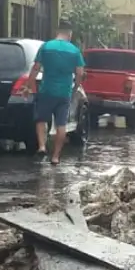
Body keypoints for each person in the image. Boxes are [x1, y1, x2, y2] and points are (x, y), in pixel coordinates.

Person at [22, 20, 84, 165]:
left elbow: (36, 68)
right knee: (61, 125)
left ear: (57, 32)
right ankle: (56, 157)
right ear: (69, 34)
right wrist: (75, 88)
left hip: (46, 90)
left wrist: (28, 86)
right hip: (64, 92)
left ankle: (42, 146)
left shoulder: (46, 46)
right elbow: (80, 73)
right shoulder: (74, 50)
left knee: (41, 119)